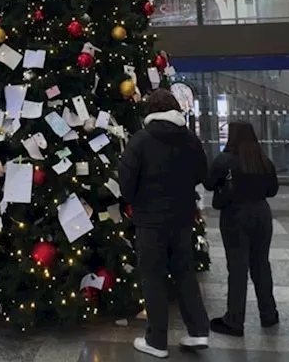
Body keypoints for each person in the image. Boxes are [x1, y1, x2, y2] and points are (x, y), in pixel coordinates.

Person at [120, 88, 211, 359]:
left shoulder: (140, 141)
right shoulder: (190, 140)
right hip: (182, 218)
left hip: (150, 221)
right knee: (185, 272)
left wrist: (139, 200)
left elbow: (126, 182)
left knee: (153, 277)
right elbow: (202, 173)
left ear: (150, 110)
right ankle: (198, 330)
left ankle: (157, 340)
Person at [204, 121, 280, 336]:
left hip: (235, 216)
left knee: (237, 268)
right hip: (262, 214)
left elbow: (209, 183)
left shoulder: (226, 160)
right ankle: (269, 314)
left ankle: (235, 319)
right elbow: (272, 190)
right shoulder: (262, 160)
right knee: (261, 265)